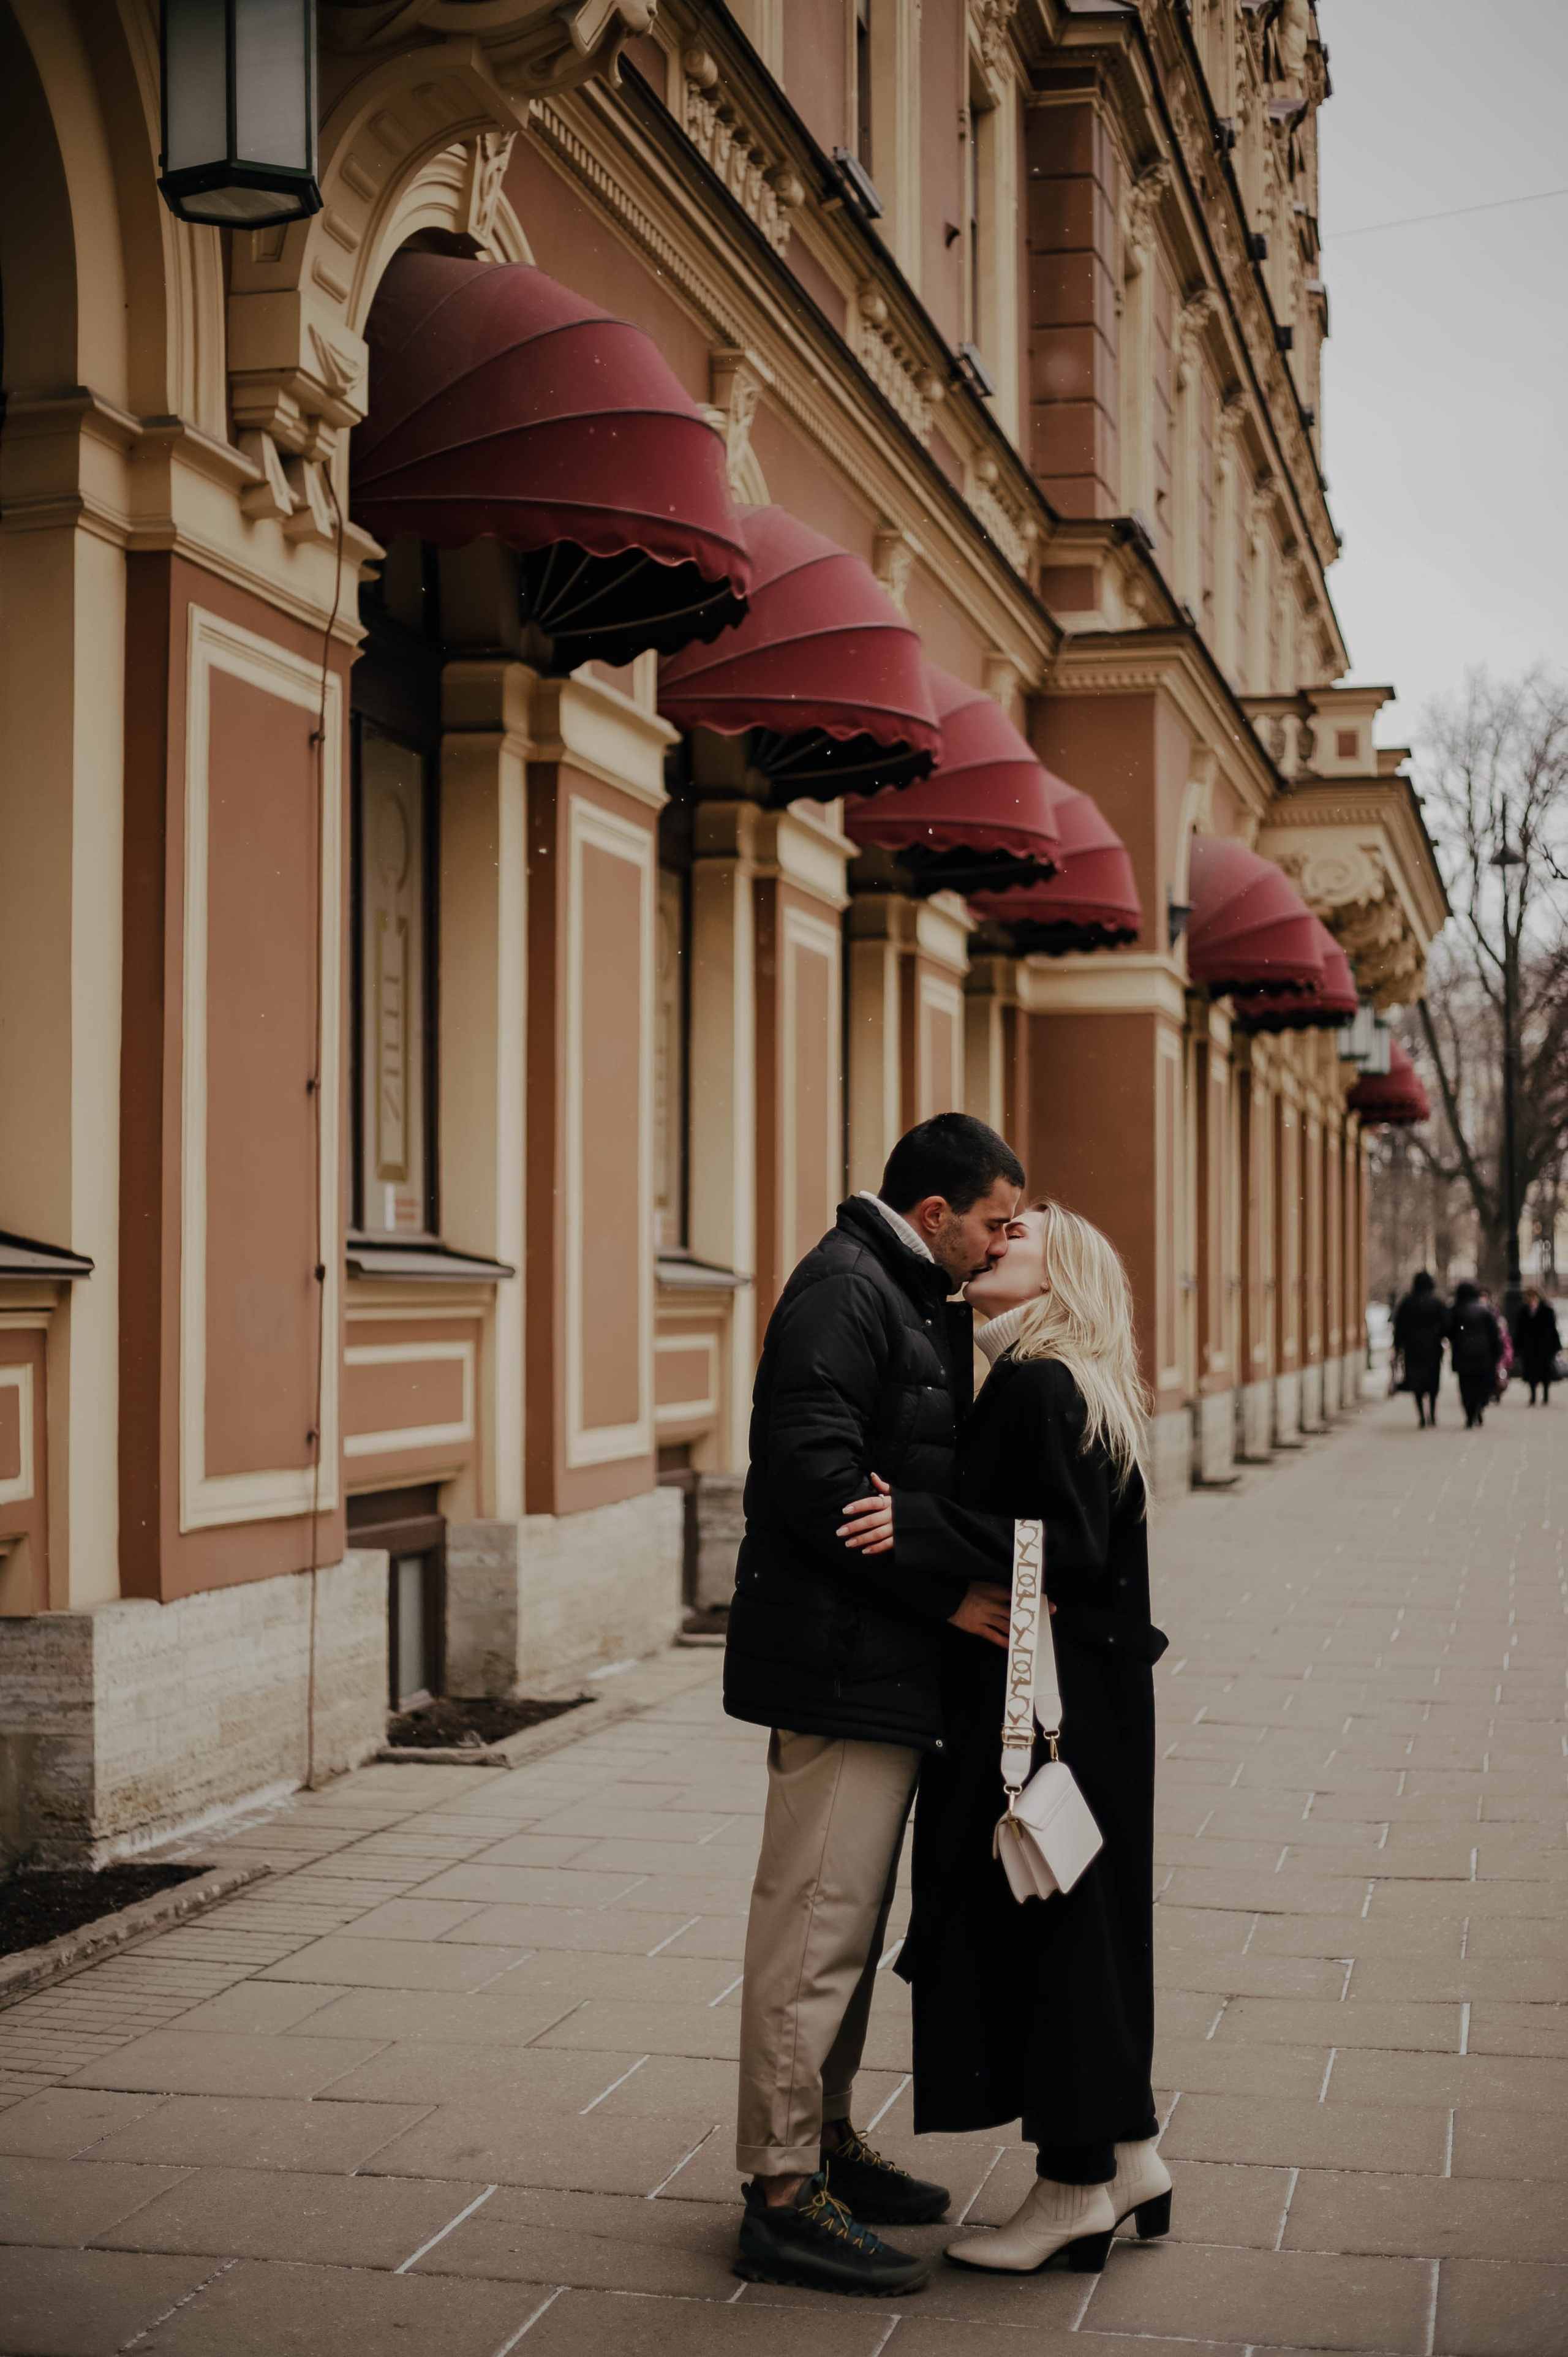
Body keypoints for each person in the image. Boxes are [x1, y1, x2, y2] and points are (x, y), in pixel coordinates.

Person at [725, 1112, 1023, 2297]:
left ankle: (826, 2144)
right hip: (843, 1658)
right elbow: (811, 1472)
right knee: (813, 1927)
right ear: (937, 1213)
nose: (1005, 1242)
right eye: (995, 1221)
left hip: (875, 1656)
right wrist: (944, 1591)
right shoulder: (848, 1287)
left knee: (841, 1929)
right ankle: (783, 2195)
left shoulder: (907, 1288)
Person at [895, 1199, 1170, 2276]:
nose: (989, 1240)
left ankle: (1072, 2186)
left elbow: (1067, 1543)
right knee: (1090, 1925)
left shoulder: (1041, 1381)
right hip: (1088, 1697)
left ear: (1062, 1277)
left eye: (1016, 1236)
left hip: (1049, 1705)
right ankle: (1128, 2148)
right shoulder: (1068, 1380)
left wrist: (920, 1528)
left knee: (1052, 1924)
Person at [1392, 1270, 1447, 1428]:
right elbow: (1446, 1325)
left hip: (1413, 1348)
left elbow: (1399, 1327)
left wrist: (1398, 1347)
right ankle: (1433, 1414)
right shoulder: (1436, 1303)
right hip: (1433, 1348)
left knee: (1416, 1382)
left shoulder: (1408, 1302)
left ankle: (1422, 1416)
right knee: (1432, 1382)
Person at [1449, 1280, 1502, 1428]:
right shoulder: (1485, 1312)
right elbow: (1494, 1335)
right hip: (1483, 1355)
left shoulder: (1457, 1311)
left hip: (1463, 1355)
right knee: (1481, 1385)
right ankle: (1479, 1407)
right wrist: (1497, 1353)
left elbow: (1450, 1332)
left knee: (1466, 1386)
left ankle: (1469, 1413)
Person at [1512, 1286, 1562, 1405]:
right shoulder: (1523, 1312)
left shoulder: (1547, 1311)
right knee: (1531, 1373)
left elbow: (1553, 1329)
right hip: (1529, 1348)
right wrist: (1518, 1347)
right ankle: (1533, 1396)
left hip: (1544, 1348)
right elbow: (1519, 1331)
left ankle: (1545, 1395)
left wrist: (1555, 1346)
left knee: (1545, 1373)